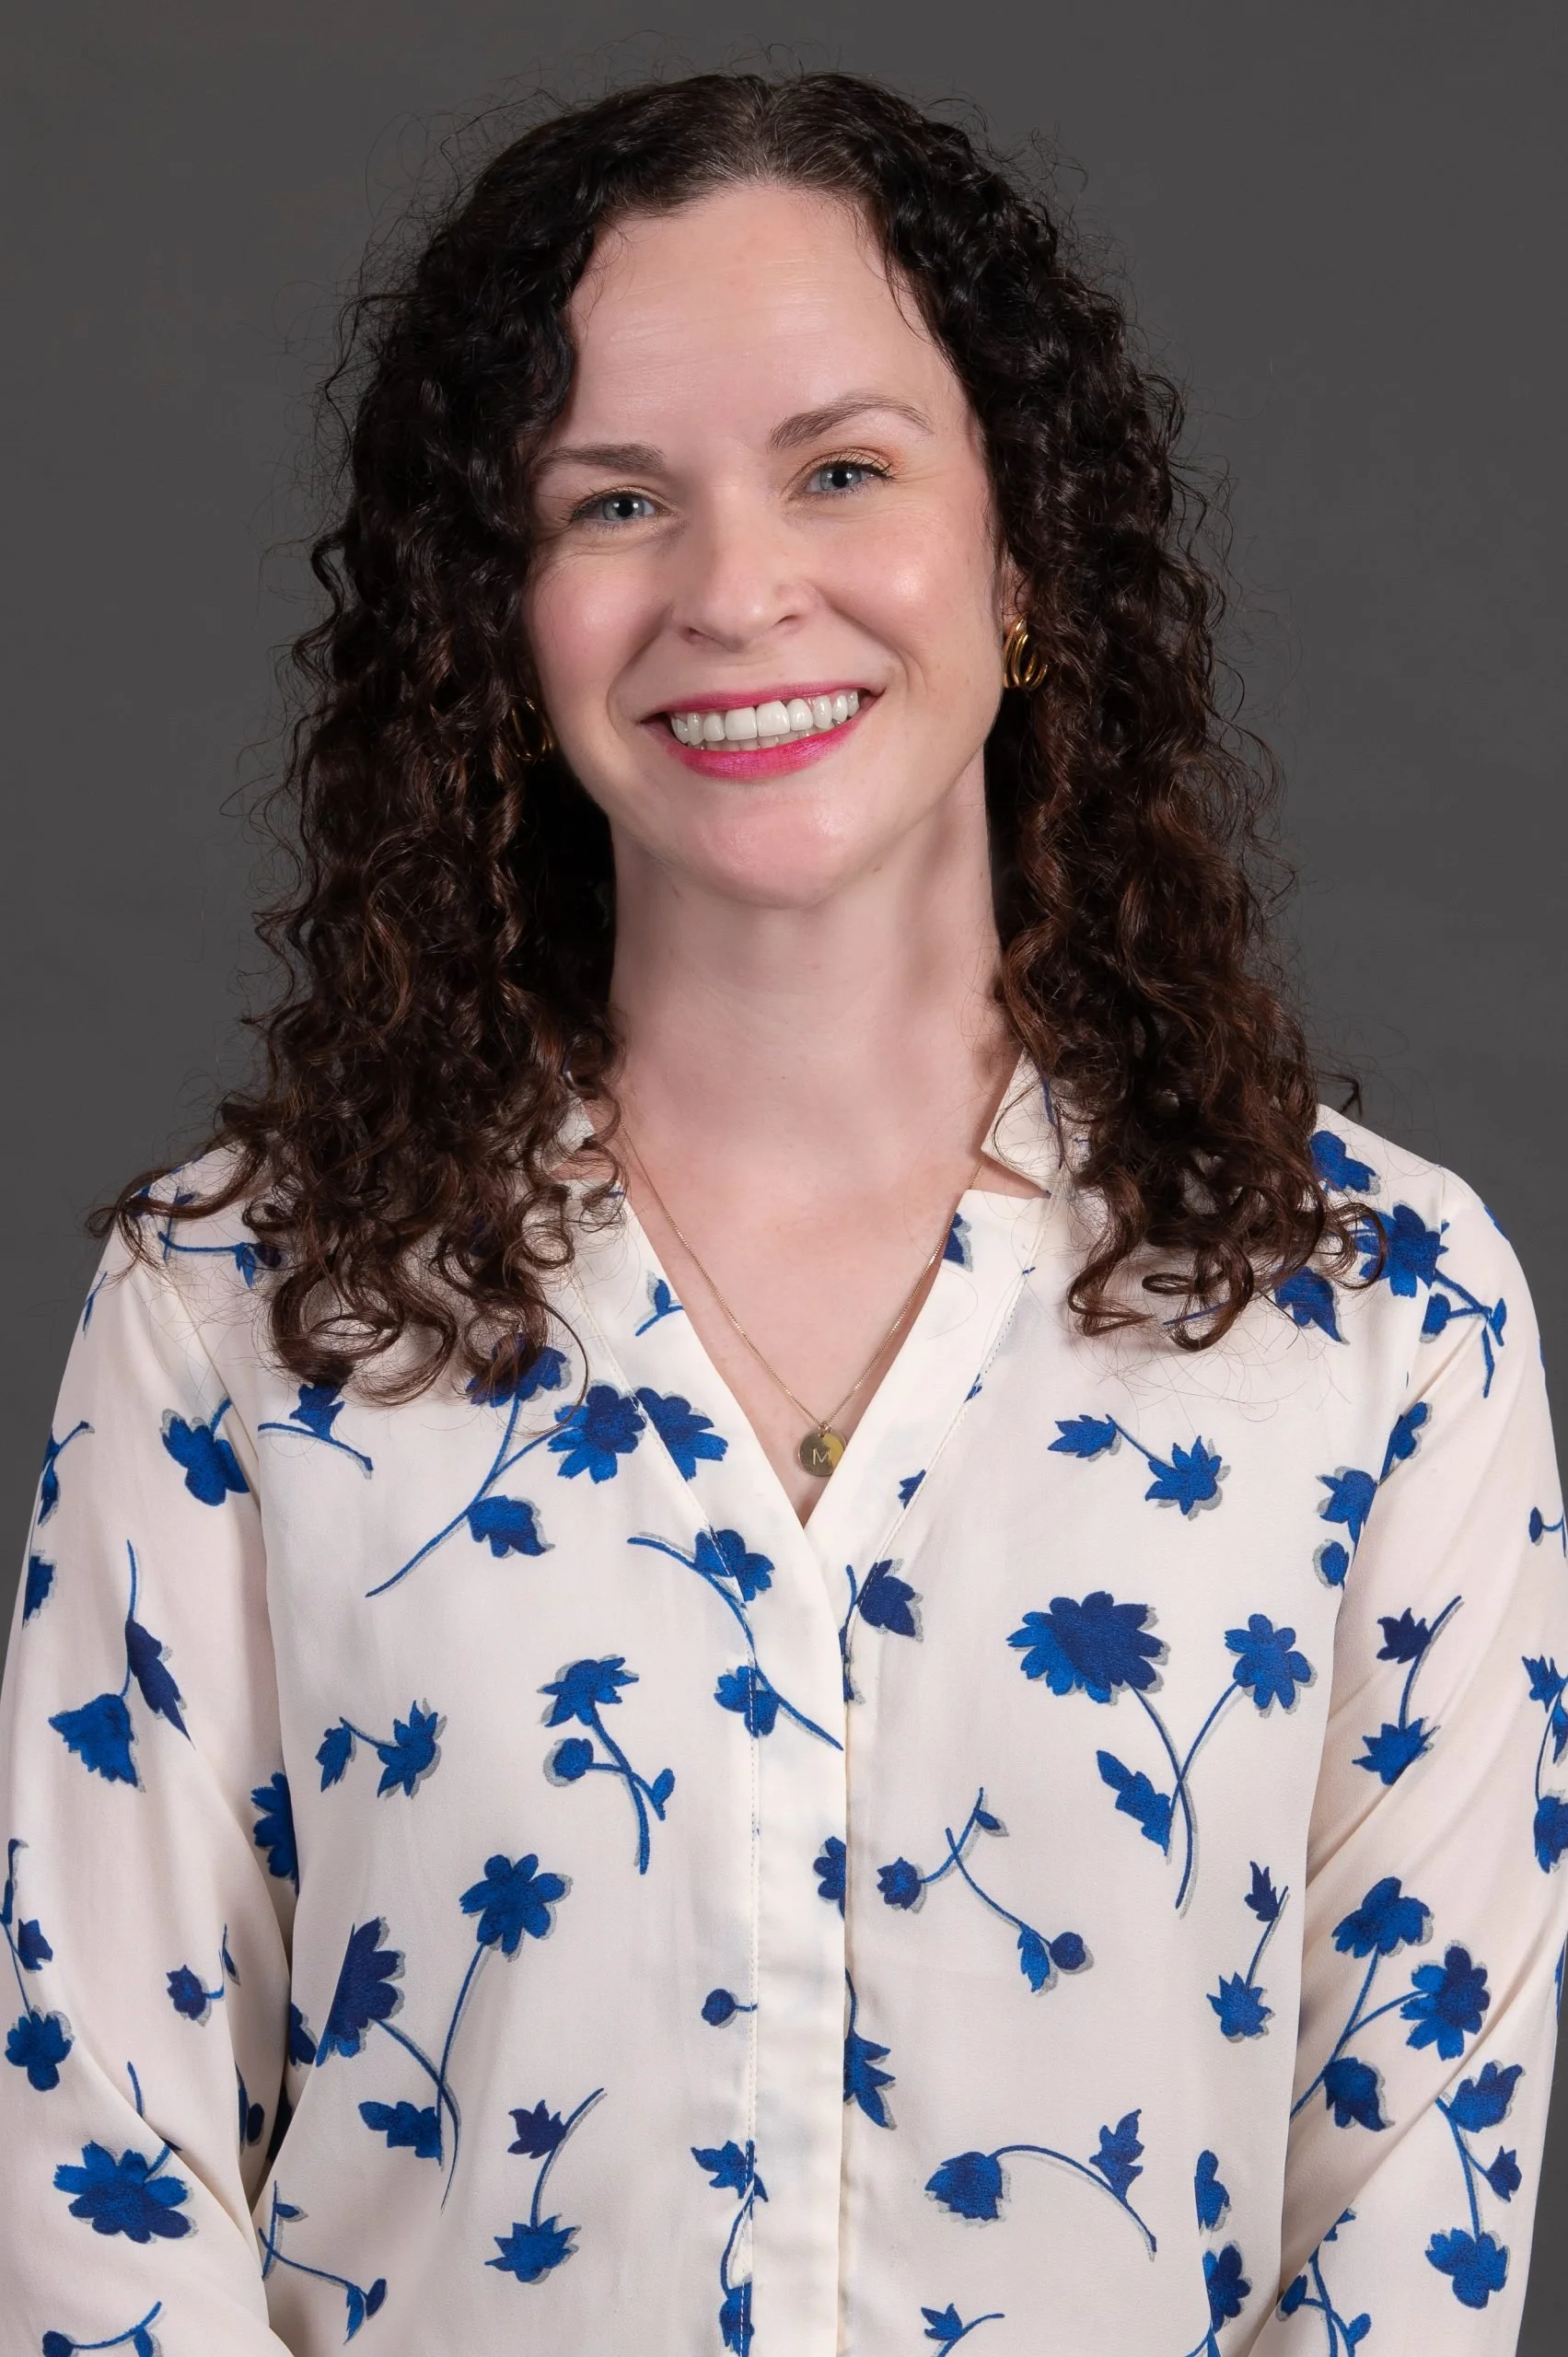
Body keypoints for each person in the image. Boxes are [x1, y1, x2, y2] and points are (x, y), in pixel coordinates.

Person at [1, 65, 1562, 2357]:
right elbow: (94, 2154)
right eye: (612, 501)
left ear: (1019, 554)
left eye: (840, 469)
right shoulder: (243, 1305)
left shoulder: (1379, 1314)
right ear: (498, 622)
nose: (735, 589)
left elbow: (1409, 2209)